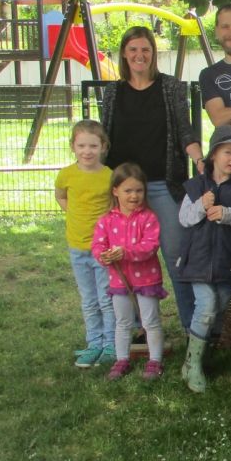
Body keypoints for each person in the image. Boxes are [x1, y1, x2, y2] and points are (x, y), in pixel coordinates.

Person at [100, 25, 203, 335]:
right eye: (133, 50)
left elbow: (185, 130)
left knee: (176, 255)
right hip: (124, 190)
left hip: (162, 184)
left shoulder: (170, 87)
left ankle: (191, 328)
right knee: (126, 260)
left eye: (145, 49)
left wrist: (199, 159)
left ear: (153, 54)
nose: (139, 55)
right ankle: (134, 328)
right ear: (124, 54)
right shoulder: (113, 91)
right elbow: (104, 137)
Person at [176, 125, 231, 393]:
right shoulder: (196, 185)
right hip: (198, 259)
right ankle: (194, 364)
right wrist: (201, 204)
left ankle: (198, 359)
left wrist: (228, 214)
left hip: (228, 259)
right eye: (228, 152)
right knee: (207, 304)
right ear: (213, 155)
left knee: (220, 306)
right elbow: (184, 219)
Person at [91, 163, 167, 381]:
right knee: (123, 322)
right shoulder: (106, 220)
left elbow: (150, 246)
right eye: (128, 191)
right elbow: (98, 245)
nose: (134, 196)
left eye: (139, 190)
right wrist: (103, 255)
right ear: (115, 191)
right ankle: (122, 358)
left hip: (147, 279)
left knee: (150, 321)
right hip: (118, 281)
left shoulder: (148, 218)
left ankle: (155, 361)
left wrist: (124, 252)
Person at [55, 120, 116, 368]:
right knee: (88, 299)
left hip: (102, 249)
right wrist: (72, 213)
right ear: (73, 146)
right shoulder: (66, 174)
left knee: (106, 298)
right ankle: (94, 344)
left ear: (103, 147)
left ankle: (111, 345)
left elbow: (113, 207)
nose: (87, 151)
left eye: (93, 145)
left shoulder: (108, 176)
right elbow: (60, 196)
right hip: (76, 247)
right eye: (81, 145)